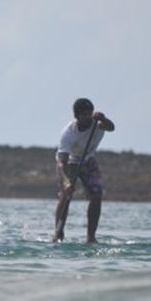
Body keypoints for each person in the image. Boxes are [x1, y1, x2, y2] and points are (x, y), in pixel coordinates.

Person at [54, 98, 115, 243]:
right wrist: (67, 182)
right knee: (66, 195)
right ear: (77, 117)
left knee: (96, 194)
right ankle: (58, 233)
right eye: (84, 115)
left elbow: (111, 127)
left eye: (90, 113)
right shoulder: (69, 133)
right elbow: (61, 162)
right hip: (69, 162)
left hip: (88, 161)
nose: (88, 117)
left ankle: (91, 237)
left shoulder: (99, 124)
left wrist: (104, 118)